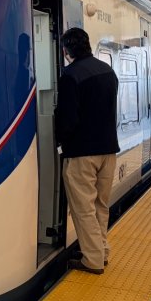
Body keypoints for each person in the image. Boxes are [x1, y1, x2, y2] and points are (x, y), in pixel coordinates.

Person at [56, 28, 120, 275]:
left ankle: (92, 260)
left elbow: (68, 119)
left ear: (66, 50)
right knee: (100, 205)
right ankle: (101, 251)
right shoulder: (108, 71)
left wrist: (60, 140)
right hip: (108, 150)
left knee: (83, 209)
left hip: (82, 153)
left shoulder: (71, 75)